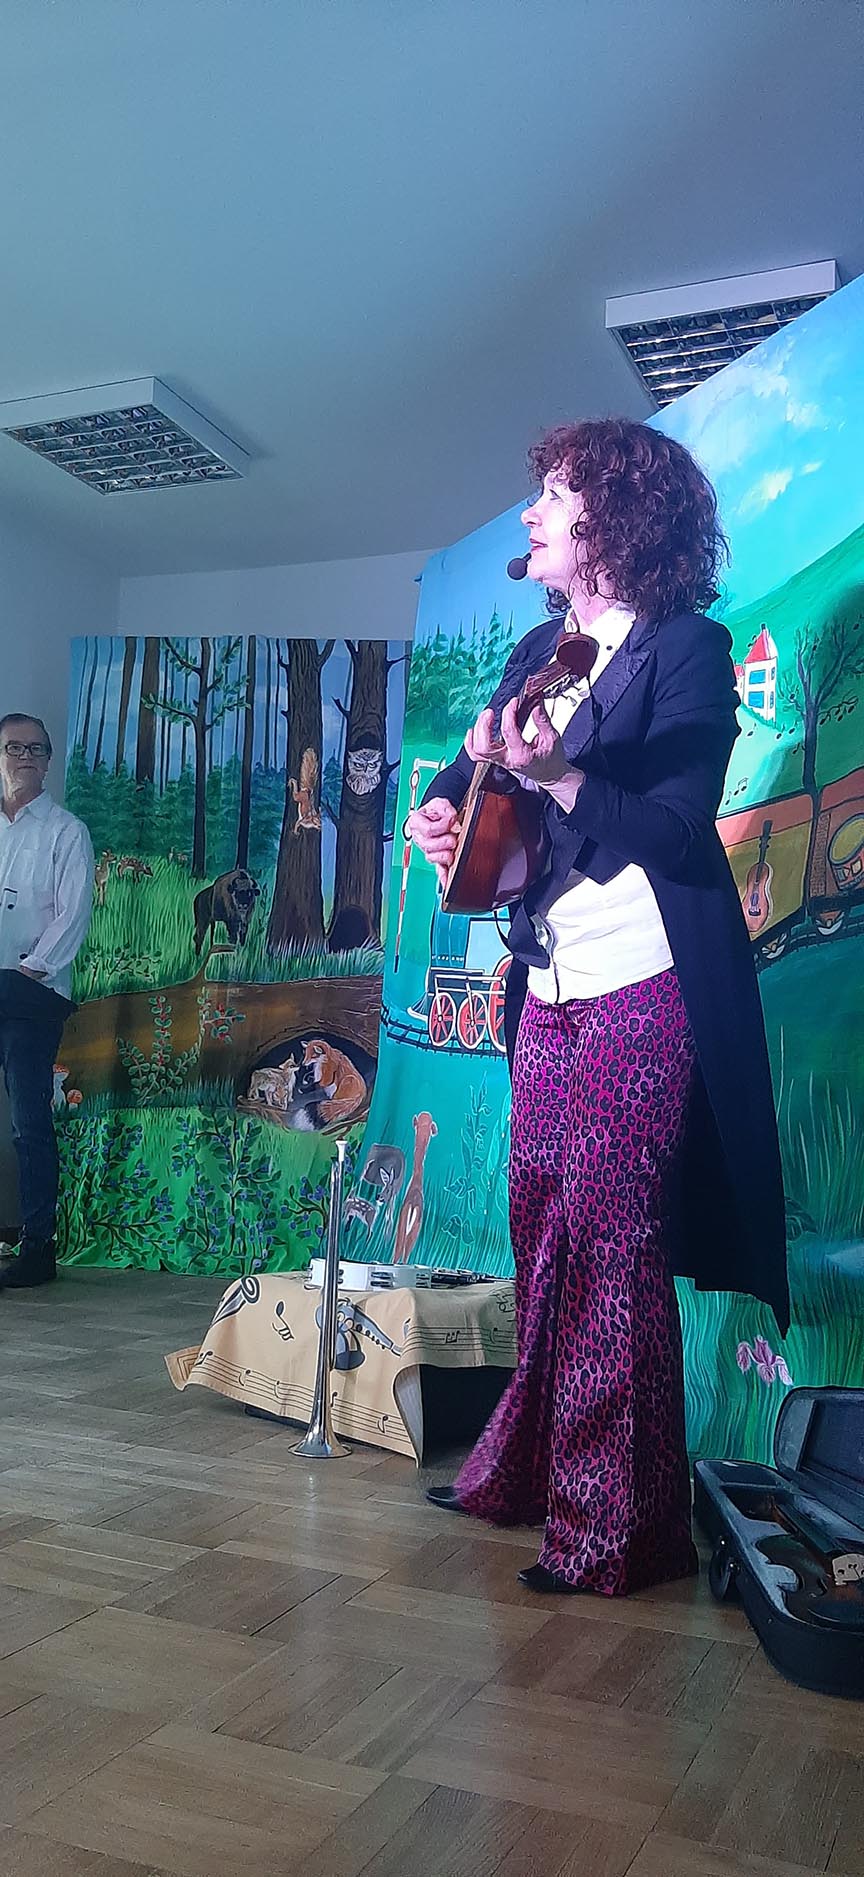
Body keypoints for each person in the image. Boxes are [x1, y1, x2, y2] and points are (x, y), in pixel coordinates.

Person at [407, 418, 788, 1597]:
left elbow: (674, 827)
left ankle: (622, 1528)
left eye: (555, 495)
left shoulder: (689, 649)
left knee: (617, 1242)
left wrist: (560, 773)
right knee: (541, 1219)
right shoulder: (542, 646)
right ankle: (530, 1470)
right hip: (552, 985)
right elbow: (472, 771)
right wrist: (441, 806)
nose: (530, 513)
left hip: (647, 978)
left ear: (615, 517)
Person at [0, 714, 93, 1291]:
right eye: (14, 748)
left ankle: (38, 1248)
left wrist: (29, 972)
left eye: (36, 749)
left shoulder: (66, 832)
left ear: (49, 759)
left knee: (29, 1123)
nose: (25, 757)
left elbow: (73, 912)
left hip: (31, 994)